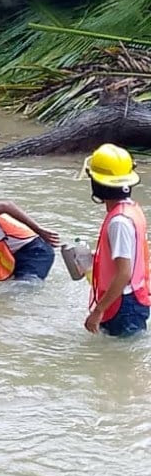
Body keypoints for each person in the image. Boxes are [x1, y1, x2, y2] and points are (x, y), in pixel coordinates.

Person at [81, 143, 150, 337]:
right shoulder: (132, 210)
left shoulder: (118, 222)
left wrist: (98, 311)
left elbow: (124, 274)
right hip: (134, 299)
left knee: (121, 361)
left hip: (124, 305)